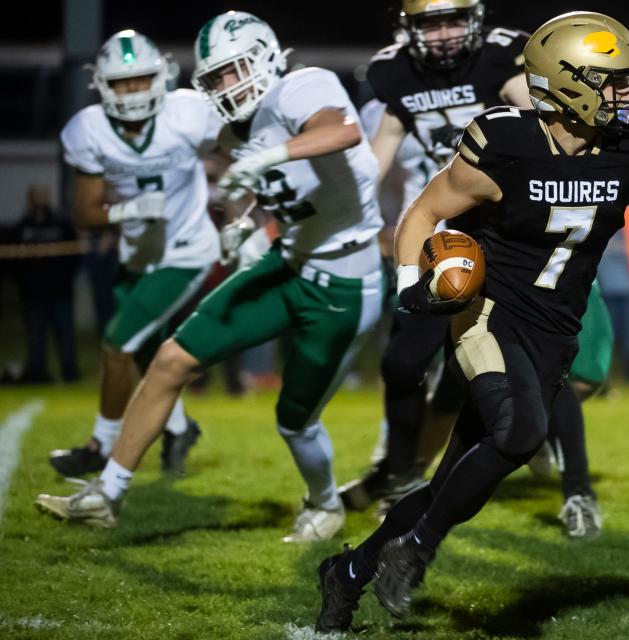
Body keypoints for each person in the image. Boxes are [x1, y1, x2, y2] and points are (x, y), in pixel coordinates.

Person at [314, 12, 629, 631]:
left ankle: (347, 573)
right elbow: (422, 213)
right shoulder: (505, 143)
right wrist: (410, 286)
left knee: (453, 482)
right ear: (569, 84)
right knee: (523, 431)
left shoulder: (628, 148)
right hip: (488, 313)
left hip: (557, 329)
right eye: (614, 81)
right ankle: (414, 553)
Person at [35, 11, 384, 543]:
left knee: (294, 422)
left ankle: (324, 502)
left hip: (343, 284)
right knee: (172, 359)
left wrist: (268, 155)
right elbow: (268, 185)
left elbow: (339, 131)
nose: (226, 85)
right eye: (215, 77)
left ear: (265, 57)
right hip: (286, 263)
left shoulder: (301, 87)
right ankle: (106, 494)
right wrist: (246, 220)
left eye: (233, 69)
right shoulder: (229, 130)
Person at [337, 0, 532, 510]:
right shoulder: (393, 71)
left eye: (452, 21)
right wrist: (343, 210)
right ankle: (400, 471)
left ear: (474, 20)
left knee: (465, 368)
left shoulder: (501, 59)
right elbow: (380, 154)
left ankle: (426, 471)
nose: (444, 34)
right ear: (411, 28)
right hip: (432, 235)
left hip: (498, 235)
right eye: (431, 23)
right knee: (403, 363)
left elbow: (537, 124)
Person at [48, 30, 220, 477]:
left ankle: (100, 446)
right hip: (138, 252)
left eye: (141, 79)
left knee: (117, 344)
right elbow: (84, 213)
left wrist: (243, 195)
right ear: (103, 85)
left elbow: (240, 141)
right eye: (122, 82)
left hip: (185, 249)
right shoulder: (87, 129)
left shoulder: (187, 112)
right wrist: (125, 209)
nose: (132, 90)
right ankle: (180, 428)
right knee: (143, 350)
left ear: (159, 76)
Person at [10, 185, 81, 383]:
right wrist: (24, 282)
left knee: (65, 335)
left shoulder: (61, 224)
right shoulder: (22, 226)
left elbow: (74, 256)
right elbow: (12, 261)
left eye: (44, 195)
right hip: (32, 294)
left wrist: (64, 278)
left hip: (60, 292)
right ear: (30, 198)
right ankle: (37, 373)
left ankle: (69, 372)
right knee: (35, 337)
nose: (41, 199)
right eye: (37, 195)